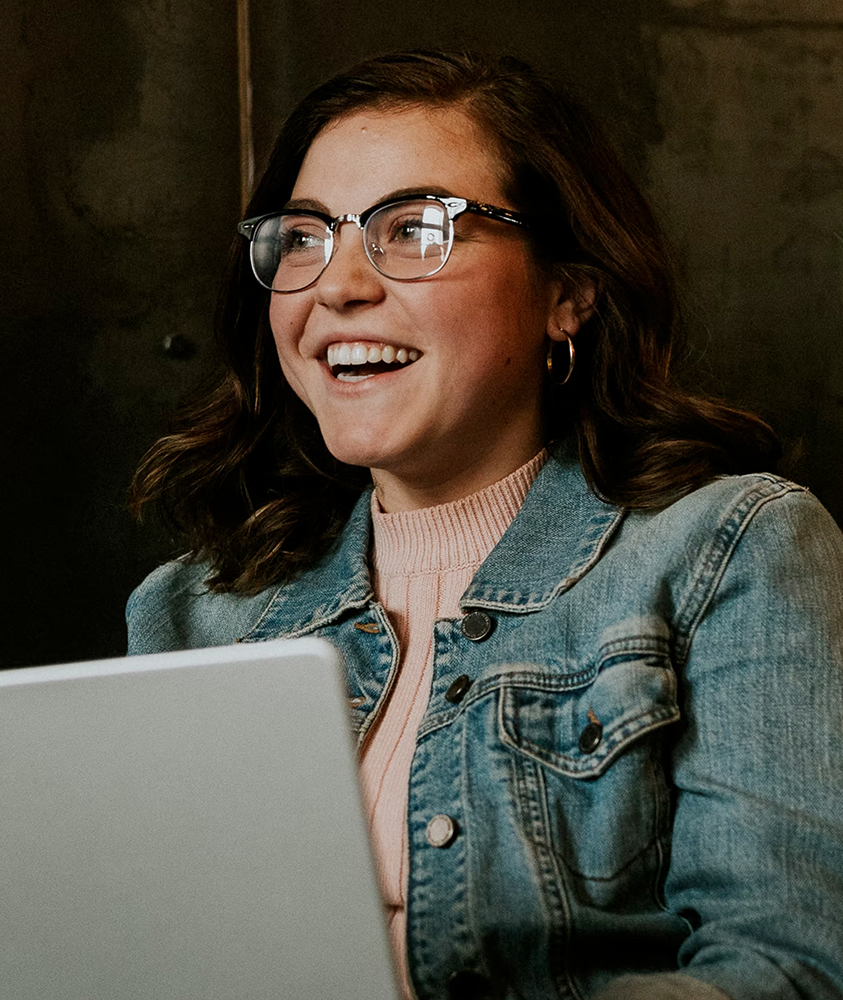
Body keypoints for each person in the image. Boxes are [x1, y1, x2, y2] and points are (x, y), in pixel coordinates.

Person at [125, 50, 843, 1000]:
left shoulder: (735, 549)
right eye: (303, 237)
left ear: (567, 295)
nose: (337, 285)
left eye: (415, 229)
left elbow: (789, 972)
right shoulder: (190, 612)